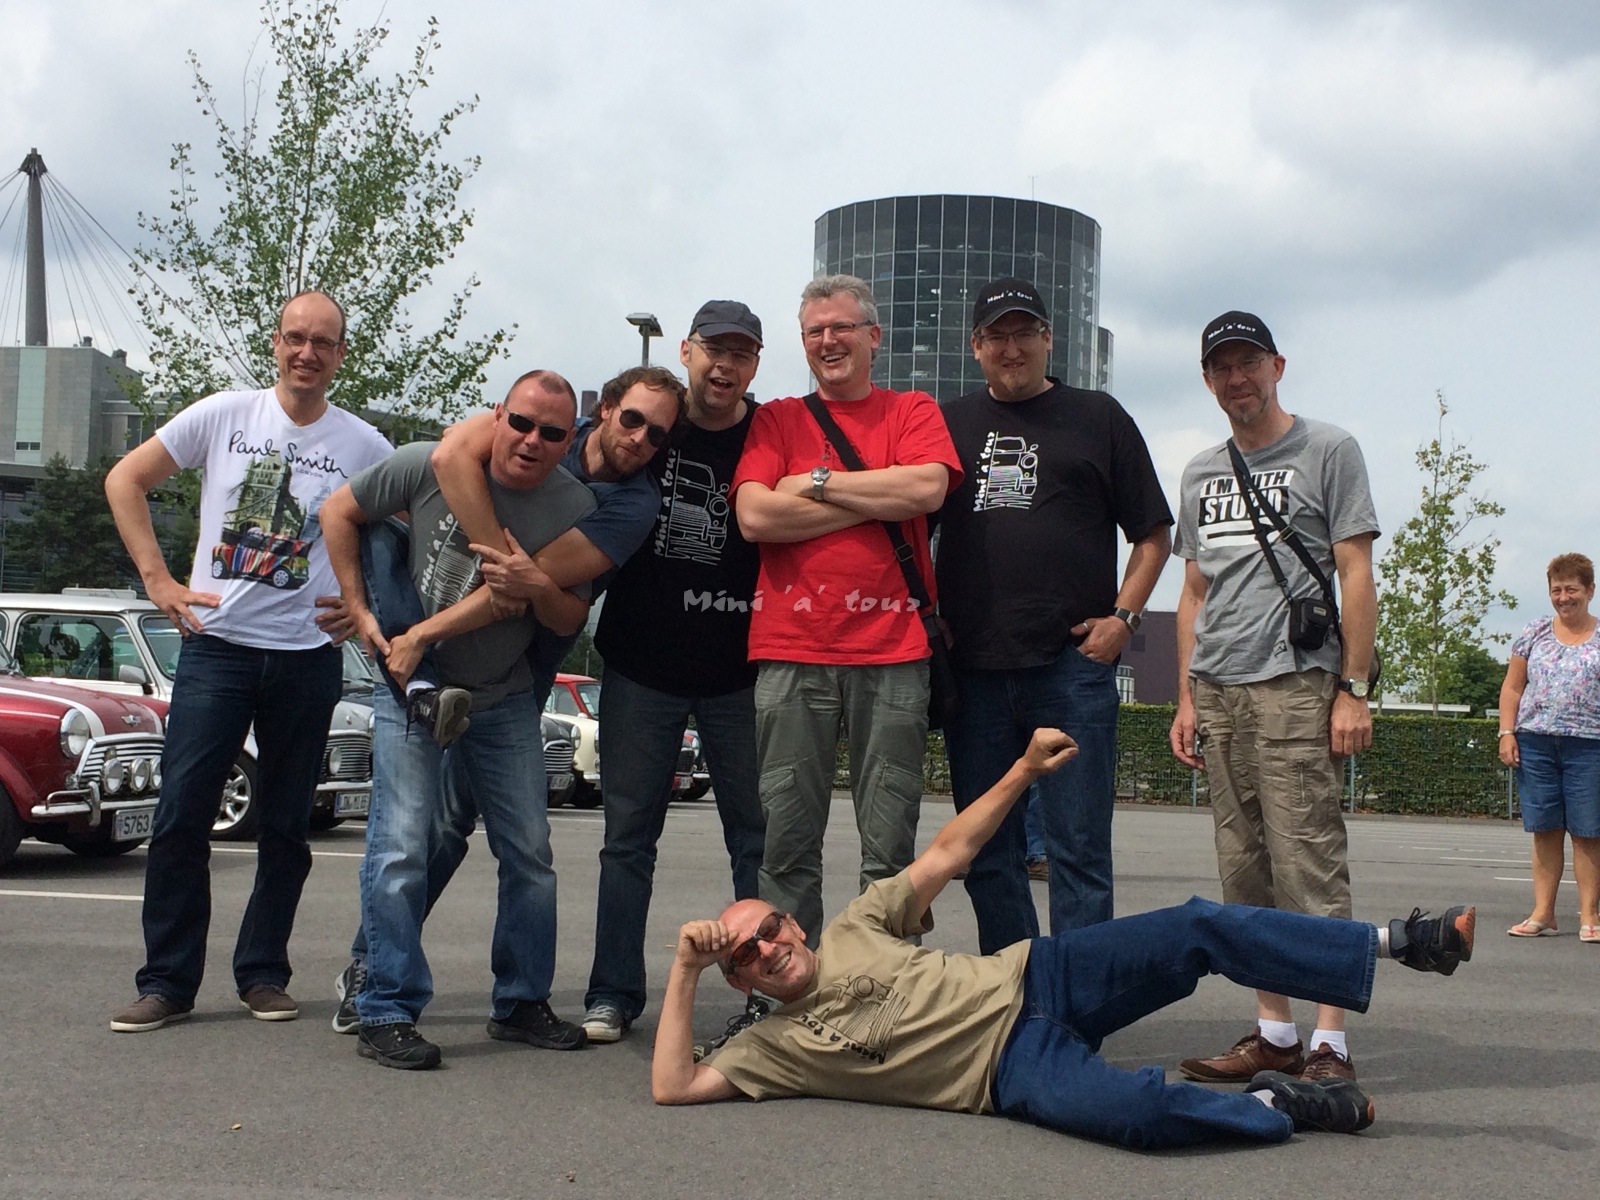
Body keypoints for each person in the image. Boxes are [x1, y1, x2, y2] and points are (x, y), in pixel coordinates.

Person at [651, 727, 1476, 1150]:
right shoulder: (773, 1048)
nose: (766, 948)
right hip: (1008, 1069)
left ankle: (1399, 941)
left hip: (1039, 976)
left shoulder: (855, 924)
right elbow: (673, 1088)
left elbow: (949, 853)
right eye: (745, 955)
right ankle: (1284, 1106)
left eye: (768, 929)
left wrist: (1021, 771)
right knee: (1137, 1114)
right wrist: (687, 968)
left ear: (791, 922)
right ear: (743, 982)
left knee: (1198, 924)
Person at [328, 366, 675, 1036]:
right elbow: (419, 472)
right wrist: (363, 606)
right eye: (632, 418)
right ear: (603, 412)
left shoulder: (612, 505)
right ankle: (378, 986)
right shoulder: (478, 446)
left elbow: (550, 601)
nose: (640, 438)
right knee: (413, 839)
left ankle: (517, 1001)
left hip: (512, 680)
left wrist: (511, 590)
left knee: (525, 851)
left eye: (657, 434)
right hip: (418, 681)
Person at [105, 291, 392, 1032]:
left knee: (288, 827)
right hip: (218, 649)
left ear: (341, 355)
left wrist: (364, 606)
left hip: (307, 657)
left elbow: (405, 529)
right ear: (276, 342)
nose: (307, 353)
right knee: (180, 816)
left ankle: (263, 972)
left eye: (322, 342)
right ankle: (167, 981)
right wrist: (158, 580)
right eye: (296, 338)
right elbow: (125, 479)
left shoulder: (365, 445)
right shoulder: (224, 415)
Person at [1168, 311, 1381, 1087]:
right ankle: (1274, 1032)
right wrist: (1186, 695)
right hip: (1219, 691)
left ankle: (1330, 1045)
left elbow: (1356, 572)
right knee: (1243, 868)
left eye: (1249, 363)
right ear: (1207, 380)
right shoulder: (1200, 472)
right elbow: (1194, 592)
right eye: (1222, 367)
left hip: (1296, 683)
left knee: (1308, 862)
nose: (1238, 379)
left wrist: (1352, 689)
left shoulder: (1328, 450)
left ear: (1277, 367)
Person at [936, 276, 1172, 952]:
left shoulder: (1099, 416)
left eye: (1023, 333)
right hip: (974, 670)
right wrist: (930, 613)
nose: (1011, 348)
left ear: (1047, 338)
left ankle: (1079, 998)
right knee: (988, 850)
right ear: (975, 346)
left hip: (1071, 669)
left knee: (1078, 851)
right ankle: (1017, 990)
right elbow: (912, 531)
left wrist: (1124, 619)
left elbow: (1153, 533)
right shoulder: (947, 423)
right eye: (996, 336)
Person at [733, 274, 961, 944]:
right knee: (786, 847)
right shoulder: (778, 417)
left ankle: (882, 989)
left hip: (893, 653)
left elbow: (926, 490)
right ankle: (785, 993)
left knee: (890, 852)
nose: (828, 341)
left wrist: (815, 483)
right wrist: (875, 498)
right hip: (791, 652)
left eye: (841, 327)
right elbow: (755, 516)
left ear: (874, 337)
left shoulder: (913, 410)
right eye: (815, 331)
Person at [579, 301, 769, 1043]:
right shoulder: (652, 426)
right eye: (713, 350)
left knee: (755, 837)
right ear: (686, 351)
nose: (725, 365)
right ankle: (613, 993)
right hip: (642, 667)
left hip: (741, 674)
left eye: (741, 354)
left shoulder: (772, 431)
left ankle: (765, 991)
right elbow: (575, 464)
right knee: (628, 838)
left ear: (755, 365)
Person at [1498, 552, 1600, 943]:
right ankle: (1543, 913)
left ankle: (1590, 914)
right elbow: (1513, 687)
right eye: (1557, 590)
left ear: (1590, 591)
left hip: (1589, 745)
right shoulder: (1535, 631)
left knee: (1588, 831)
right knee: (1544, 829)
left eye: (1571, 589)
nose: (1563, 597)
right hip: (1536, 742)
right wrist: (1506, 732)